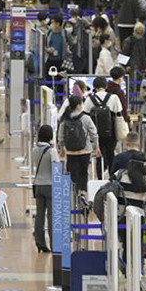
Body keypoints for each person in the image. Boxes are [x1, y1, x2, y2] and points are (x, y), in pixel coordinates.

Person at [58, 95, 99, 197]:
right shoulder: (86, 118)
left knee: (72, 173)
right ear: (78, 106)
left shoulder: (65, 118)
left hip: (70, 152)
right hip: (85, 150)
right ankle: (83, 193)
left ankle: (73, 194)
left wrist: (62, 148)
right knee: (84, 172)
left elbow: (60, 136)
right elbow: (94, 134)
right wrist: (96, 147)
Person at [83, 76, 123, 180]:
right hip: (111, 131)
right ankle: (112, 177)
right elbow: (119, 113)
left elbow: (85, 115)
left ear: (94, 86)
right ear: (106, 85)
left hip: (95, 131)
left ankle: (100, 178)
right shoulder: (113, 98)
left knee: (99, 155)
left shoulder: (89, 99)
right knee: (111, 154)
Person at [32, 125, 58, 253]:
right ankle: (54, 244)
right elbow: (56, 167)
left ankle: (39, 242)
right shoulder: (51, 151)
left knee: (39, 215)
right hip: (50, 185)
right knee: (52, 216)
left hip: (38, 184)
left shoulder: (34, 149)